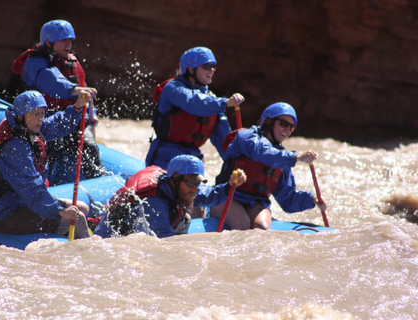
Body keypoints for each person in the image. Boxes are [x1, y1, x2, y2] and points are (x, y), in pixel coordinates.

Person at [0, 90, 91, 238]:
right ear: (21, 116)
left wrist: (76, 109)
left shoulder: (29, 129)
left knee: (82, 208)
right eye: (35, 114)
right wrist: (58, 211)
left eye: (42, 113)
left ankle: (61, 235)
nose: (40, 119)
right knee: (77, 218)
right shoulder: (14, 147)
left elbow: (57, 125)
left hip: (25, 203)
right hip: (8, 213)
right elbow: (31, 187)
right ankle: (87, 255)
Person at [211, 102, 327, 230]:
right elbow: (261, 152)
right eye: (284, 124)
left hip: (255, 203)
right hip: (227, 195)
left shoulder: (282, 159)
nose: (287, 130)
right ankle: (212, 210)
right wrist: (296, 157)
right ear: (268, 122)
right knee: (242, 223)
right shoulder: (246, 137)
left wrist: (312, 199)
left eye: (291, 127)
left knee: (262, 227)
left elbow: (287, 198)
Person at [13, 19, 102, 186]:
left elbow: (83, 91)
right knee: (49, 148)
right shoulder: (35, 62)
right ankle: (41, 188)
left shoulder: (72, 61)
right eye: (63, 41)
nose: (68, 45)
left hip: (72, 116)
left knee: (89, 148)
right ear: (48, 42)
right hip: (44, 119)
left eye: (70, 40)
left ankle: (96, 186)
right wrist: (73, 90)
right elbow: (50, 80)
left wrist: (92, 114)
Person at [94, 154, 246, 238]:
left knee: (184, 217)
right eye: (192, 183)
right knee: (184, 218)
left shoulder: (183, 186)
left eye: (198, 182)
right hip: (112, 237)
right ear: (174, 180)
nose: (195, 188)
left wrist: (229, 185)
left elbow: (209, 195)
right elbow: (166, 245)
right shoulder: (153, 202)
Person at [145, 46, 245, 170]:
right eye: (207, 66)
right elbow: (193, 102)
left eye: (214, 66)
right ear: (191, 69)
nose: (212, 70)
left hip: (193, 163)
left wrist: (239, 163)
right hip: (165, 158)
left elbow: (224, 141)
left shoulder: (212, 100)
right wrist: (225, 102)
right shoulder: (173, 89)